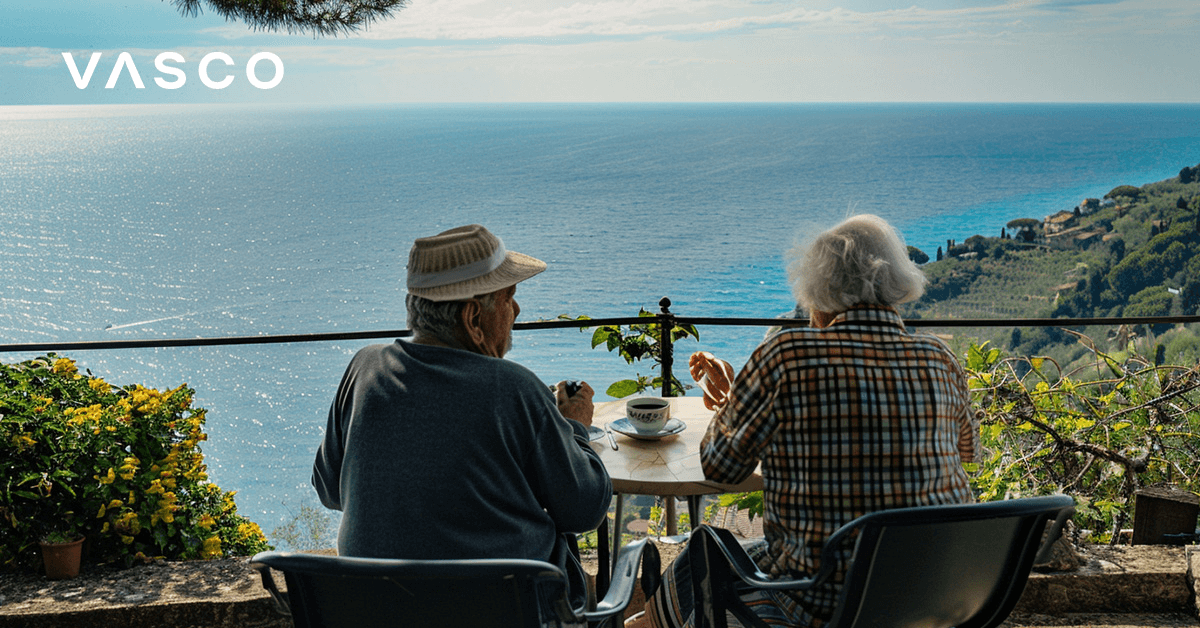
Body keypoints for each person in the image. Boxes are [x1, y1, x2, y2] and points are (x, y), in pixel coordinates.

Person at [636, 214, 979, 628]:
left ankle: (643, 623)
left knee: (707, 550)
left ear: (817, 295)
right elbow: (966, 453)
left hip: (822, 602)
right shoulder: (940, 360)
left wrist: (737, 397)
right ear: (897, 286)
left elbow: (720, 467)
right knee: (725, 553)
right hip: (931, 597)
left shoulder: (786, 355)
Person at [312, 224, 612, 609]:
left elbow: (329, 489)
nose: (516, 310)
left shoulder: (364, 369)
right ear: (473, 318)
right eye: (509, 297)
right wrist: (574, 428)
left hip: (380, 611)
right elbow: (585, 508)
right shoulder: (514, 389)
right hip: (505, 613)